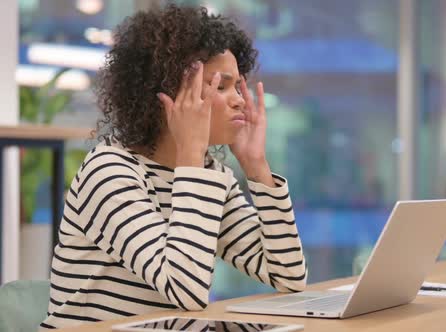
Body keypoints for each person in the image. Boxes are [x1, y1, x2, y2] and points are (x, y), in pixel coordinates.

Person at [41, 4, 307, 329]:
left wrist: (257, 168)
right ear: (168, 97)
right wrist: (191, 155)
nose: (239, 98)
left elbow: (288, 275)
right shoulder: (110, 171)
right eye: (219, 86)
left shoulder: (212, 175)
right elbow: (185, 290)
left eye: (237, 85)